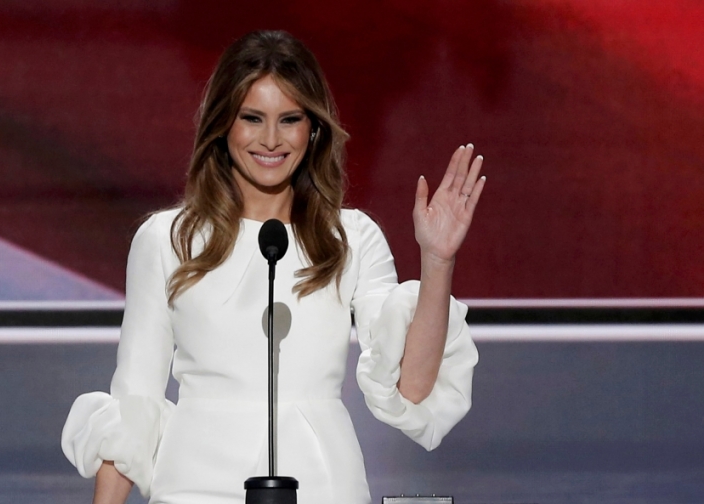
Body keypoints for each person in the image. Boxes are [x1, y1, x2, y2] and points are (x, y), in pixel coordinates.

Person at [62, 30, 484, 504]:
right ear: (224, 124)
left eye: (289, 119)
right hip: (195, 486)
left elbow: (412, 386)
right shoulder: (167, 240)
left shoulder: (350, 237)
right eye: (252, 118)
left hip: (322, 485)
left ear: (313, 128)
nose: (270, 139)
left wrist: (438, 259)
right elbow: (134, 404)